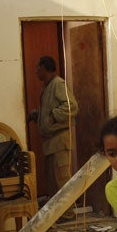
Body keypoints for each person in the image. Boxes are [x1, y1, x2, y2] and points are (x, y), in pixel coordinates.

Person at [28, 56, 78, 196]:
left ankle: (68, 213)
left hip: (59, 142)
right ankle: (58, 212)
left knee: (62, 180)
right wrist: (36, 114)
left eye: (38, 68)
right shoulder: (48, 86)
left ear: (44, 68)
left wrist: (52, 117)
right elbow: (49, 108)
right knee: (53, 181)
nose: (36, 72)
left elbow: (71, 106)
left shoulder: (58, 84)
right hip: (50, 143)